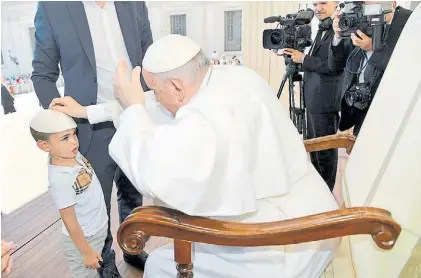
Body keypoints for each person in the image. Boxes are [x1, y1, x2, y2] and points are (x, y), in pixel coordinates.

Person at [104, 34, 339, 277]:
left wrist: (133, 110)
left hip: (282, 244)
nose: (156, 99)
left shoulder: (204, 117)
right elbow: (155, 106)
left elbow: (157, 172)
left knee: (158, 263)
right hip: (315, 218)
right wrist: (105, 109)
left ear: (176, 86)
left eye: (155, 90)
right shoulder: (235, 76)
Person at [31, 1, 153, 274]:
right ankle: (104, 260)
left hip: (134, 116)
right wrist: (61, 128)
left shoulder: (135, 3)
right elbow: (43, 74)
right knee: (96, 203)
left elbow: (148, 56)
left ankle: (133, 248)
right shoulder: (54, 7)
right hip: (87, 125)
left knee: (133, 193)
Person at [29, 109, 109, 278]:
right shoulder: (61, 179)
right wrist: (86, 252)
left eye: (74, 134)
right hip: (84, 239)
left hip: (97, 228)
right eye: (65, 138)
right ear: (45, 146)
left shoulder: (68, 154)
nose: (74, 142)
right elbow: (69, 220)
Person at [282, 1, 342, 191]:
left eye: (323, 3)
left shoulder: (339, 29)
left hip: (325, 103)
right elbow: (316, 67)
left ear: (336, 3)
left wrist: (304, 59)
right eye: (315, 3)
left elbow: (333, 66)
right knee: (314, 152)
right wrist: (297, 64)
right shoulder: (321, 28)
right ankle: (318, 193)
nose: (318, 8)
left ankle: (326, 197)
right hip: (313, 101)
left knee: (324, 153)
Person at [329, 1, 412, 136]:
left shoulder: (411, 22)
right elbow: (335, 66)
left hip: (391, 113)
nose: (366, 6)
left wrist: (373, 50)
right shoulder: (359, 19)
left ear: (392, 3)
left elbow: (409, 67)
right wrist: (337, 36)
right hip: (358, 107)